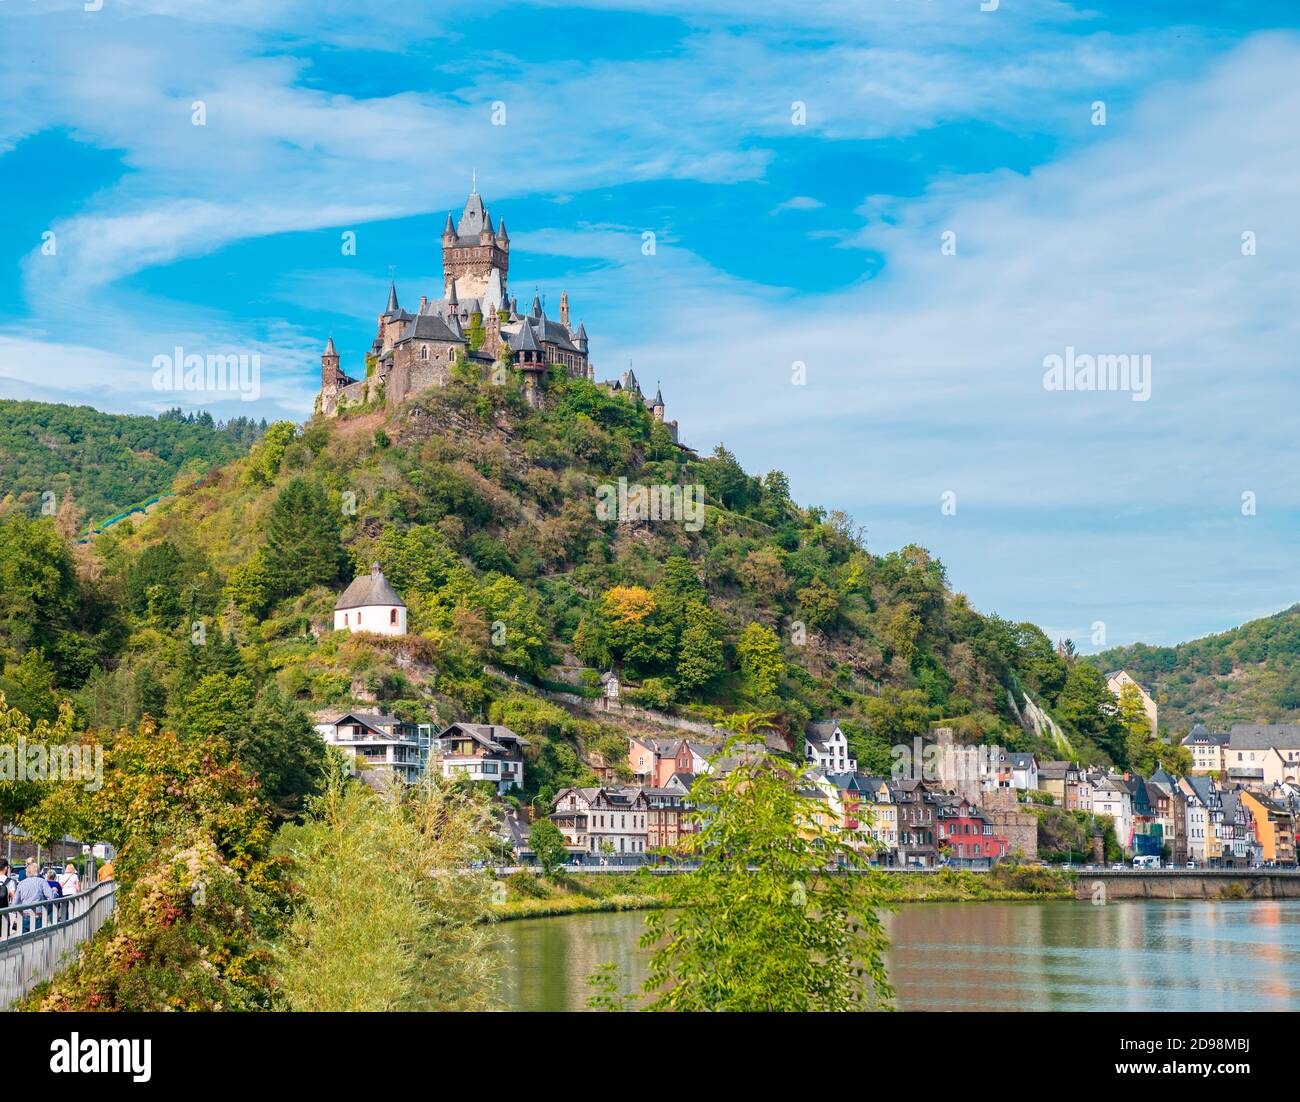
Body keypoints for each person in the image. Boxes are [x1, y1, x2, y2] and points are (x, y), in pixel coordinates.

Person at [13, 860, 56, 932]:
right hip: (38, 915)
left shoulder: (21, 883)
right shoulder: (42, 882)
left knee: (24, 940)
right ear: (38, 871)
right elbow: (51, 897)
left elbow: (15, 903)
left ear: (27, 872)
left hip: (24, 915)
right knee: (37, 939)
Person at [0, 860, 16, 940]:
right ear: (5, 868)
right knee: (4, 936)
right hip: (4, 912)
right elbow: (14, 897)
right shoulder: (9, 881)